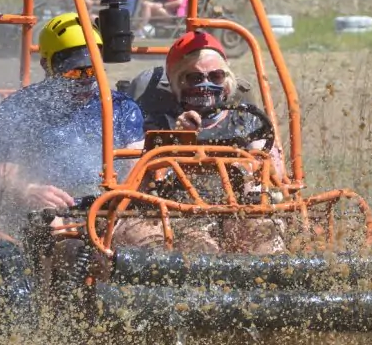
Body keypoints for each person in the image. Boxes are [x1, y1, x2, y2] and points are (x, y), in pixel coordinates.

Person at [113, 30, 287, 255]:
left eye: (215, 76)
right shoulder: (156, 121)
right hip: (174, 213)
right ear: (177, 82)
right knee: (198, 246)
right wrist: (180, 137)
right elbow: (136, 177)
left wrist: (252, 169)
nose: (206, 84)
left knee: (263, 235)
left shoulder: (247, 119)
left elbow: (273, 171)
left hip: (235, 210)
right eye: (195, 77)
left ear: (226, 80)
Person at [0, 11, 145, 239]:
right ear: (47, 65)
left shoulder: (121, 108)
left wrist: (113, 209)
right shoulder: (19, 108)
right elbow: (1, 175)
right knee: (59, 231)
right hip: (44, 210)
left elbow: (134, 175)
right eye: (74, 72)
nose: (85, 80)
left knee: (147, 236)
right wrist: (28, 190)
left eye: (92, 71)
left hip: (111, 208)